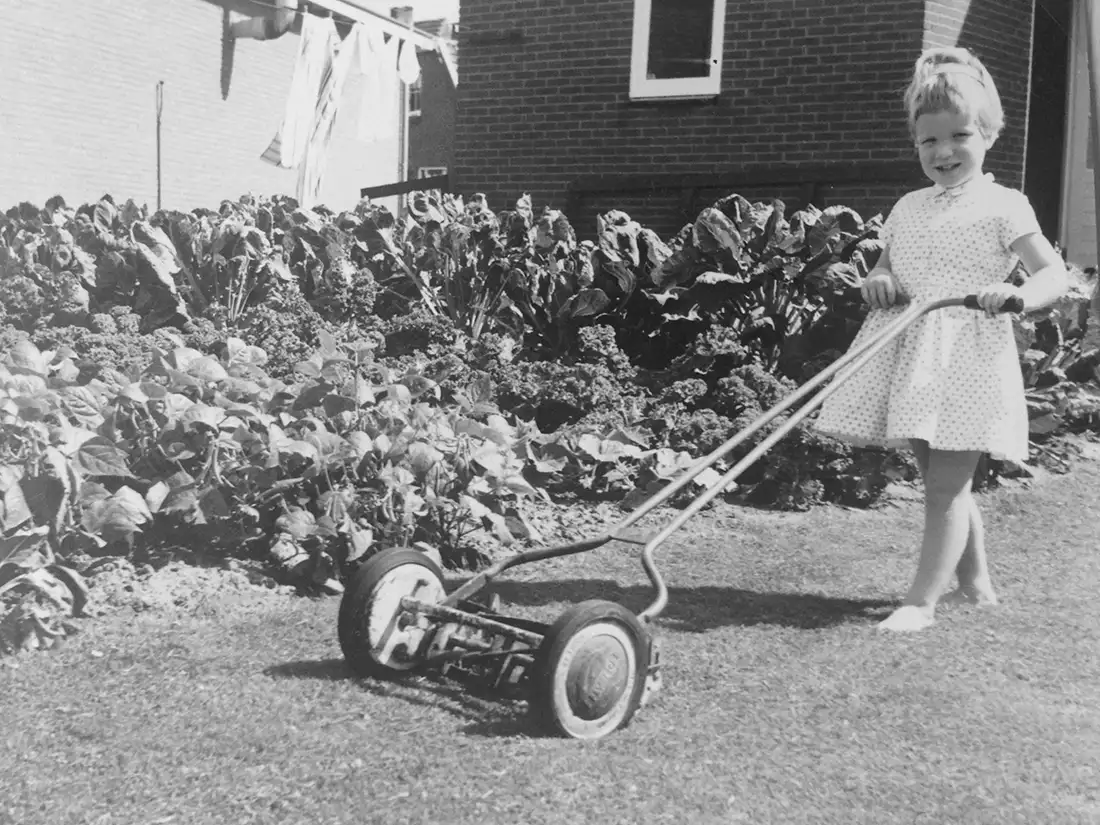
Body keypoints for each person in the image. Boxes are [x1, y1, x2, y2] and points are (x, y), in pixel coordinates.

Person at [814, 47, 1070, 632]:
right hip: (912, 352)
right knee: (940, 481)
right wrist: (879, 279)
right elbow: (886, 264)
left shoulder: (1005, 204)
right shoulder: (908, 206)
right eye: (928, 142)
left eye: (958, 136)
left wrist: (1017, 296)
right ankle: (976, 587)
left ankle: (920, 603)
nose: (944, 152)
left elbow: (1052, 273)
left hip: (966, 355)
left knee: (945, 489)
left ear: (988, 135)